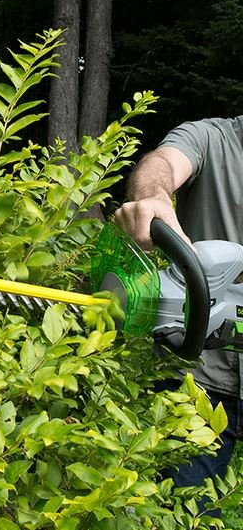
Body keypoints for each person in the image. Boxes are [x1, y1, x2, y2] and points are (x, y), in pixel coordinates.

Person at [113, 116, 243, 506]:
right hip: (199, 383)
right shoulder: (212, 138)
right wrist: (153, 197)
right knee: (180, 510)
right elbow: (163, 162)